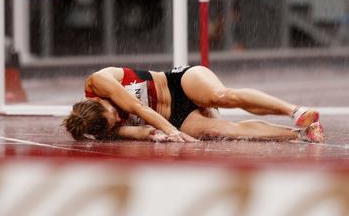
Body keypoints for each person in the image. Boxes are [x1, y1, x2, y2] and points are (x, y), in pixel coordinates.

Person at [62, 65, 324, 143]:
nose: (118, 117)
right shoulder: (103, 127)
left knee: (223, 97)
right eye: (114, 123)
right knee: (222, 130)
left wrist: (172, 133)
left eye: (113, 112)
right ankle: (300, 134)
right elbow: (140, 130)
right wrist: (161, 135)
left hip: (179, 83)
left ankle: (295, 111)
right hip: (177, 118)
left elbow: (138, 110)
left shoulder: (97, 83)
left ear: (97, 102)